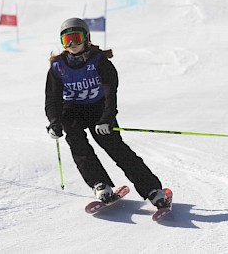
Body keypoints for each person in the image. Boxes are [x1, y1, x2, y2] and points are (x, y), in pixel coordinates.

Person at [45, 17, 171, 210]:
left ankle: (153, 190)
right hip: (71, 112)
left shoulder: (99, 62)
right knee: (78, 145)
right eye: (67, 39)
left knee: (116, 148)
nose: (72, 44)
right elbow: (52, 99)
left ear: (86, 38)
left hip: (98, 109)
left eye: (76, 38)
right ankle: (99, 184)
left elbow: (110, 94)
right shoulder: (58, 67)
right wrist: (54, 122)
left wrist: (106, 119)